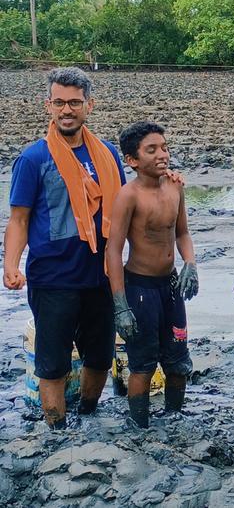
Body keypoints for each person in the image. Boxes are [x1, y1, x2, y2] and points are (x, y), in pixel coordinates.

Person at [3, 68, 126, 428]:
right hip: (53, 277)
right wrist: (11, 264)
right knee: (53, 361)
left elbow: (127, 207)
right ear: (48, 106)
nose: (67, 110)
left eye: (74, 102)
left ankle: (88, 413)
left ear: (89, 105)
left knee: (101, 357)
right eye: (59, 102)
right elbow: (19, 219)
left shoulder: (108, 155)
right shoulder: (34, 159)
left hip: (102, 274)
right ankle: (55, 427)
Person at [105, 121, 198, 429]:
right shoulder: (128, 196)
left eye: (164, 147)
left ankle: (174, 417)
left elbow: (182, 233)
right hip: (140, 289)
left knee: (177, 359)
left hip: (170, 286)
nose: (162, 155)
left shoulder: (175, 187)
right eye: (151, 150)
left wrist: (190, 264)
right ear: (132, 160)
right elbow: (114, 251)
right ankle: (139, 424)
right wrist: (120, 305)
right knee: (142, 364)